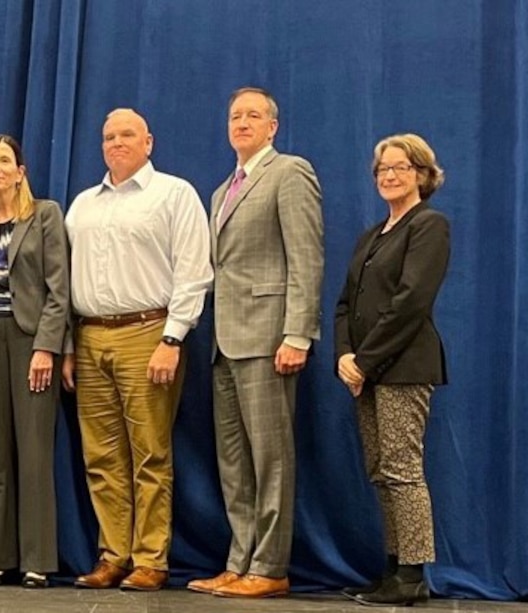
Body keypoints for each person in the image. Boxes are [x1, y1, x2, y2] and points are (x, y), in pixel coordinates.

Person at [62, 109, 213, 591]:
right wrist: (68, 346)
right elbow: (64, 281)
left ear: (148, 141)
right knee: (101, 457)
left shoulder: (174, 194)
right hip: (89, 336)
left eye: (127, 134)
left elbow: (194, 270)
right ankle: (113, 554)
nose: (116, 143)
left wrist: (173, 338)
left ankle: (151, 558)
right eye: (108, 136)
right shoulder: (82, 205)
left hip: (147, 333)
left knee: (150, 453)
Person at [188, 87, 324, 599]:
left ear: (273, 126)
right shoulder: (222, 191)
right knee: (234, 460)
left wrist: (297, 333)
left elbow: (306, 258)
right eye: (234, 116)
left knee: (271, 458)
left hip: (269, 339)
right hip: (224, 341)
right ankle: (239, 561)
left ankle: (269, 567)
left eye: (253, 115)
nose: (242, 122)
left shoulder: (289, 173)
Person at [335, 134, 449, 607]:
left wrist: (364, 360)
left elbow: (410, 303)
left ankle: (413, 573)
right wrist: (344, 353)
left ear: (422, 174)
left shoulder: (429, 226)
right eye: (383, 168)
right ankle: (392, 567)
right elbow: (346, 303)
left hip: (403, 366)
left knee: (403, 470)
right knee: (381, 471)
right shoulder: (371, 235)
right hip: (365, 370)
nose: (389, 175)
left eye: (400, 167)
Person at [0, 135, 69, 589]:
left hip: (30, 339)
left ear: (20, 171)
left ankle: (37, 560)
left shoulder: (44, 215)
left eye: (5, 161)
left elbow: (59, 289)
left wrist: (47, 346)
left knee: (34, 449)